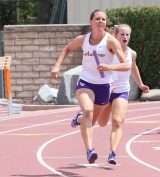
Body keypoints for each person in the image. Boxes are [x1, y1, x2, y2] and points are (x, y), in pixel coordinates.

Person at [51, 9, 129, 164]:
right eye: (98, 19)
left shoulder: (111, 41)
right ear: (91, 22)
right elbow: (67, 49)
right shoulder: (83, 39)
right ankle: (90, 150)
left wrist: (110, 67)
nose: (101, 21)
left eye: (104, 19)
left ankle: (78, 118)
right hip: (85, 82)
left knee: (91, 121)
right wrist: (57, 66)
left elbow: (126, 65)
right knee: (88, 111)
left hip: (104, 86)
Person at [97, 24, 149, 165]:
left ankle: (112, 153)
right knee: (101, 123)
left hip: (122, 91)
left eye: (127, 35)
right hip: (106, 91)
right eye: (122, 34)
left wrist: (140, 84)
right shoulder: (108, 51)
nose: (125, 37)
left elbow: (134, 68)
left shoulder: (132, 53)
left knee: (117, 122)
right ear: (116, 35)